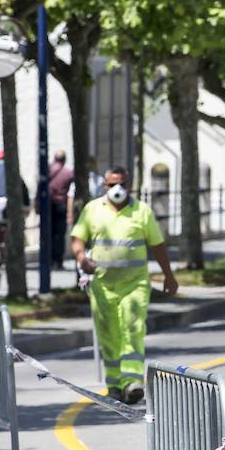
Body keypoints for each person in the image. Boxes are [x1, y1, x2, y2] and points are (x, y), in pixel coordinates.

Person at [71, 167, 178, 403]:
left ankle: (132, 382)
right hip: (103, 285)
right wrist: (81, 258)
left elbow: (157, 245)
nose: (116, 189)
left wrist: (169, 276)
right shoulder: (92, 210)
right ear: (104, 187)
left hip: (135, 284)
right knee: (109, 335)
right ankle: (114, 385)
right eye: (111, 185)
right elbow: (78, 239)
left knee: (132, 328)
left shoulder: (141, 211)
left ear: (129, 185)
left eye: (121, 184)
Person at [44, 150, 73, 269]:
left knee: (48, 233)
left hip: (48, 205)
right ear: (64, 160)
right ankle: (58, 261)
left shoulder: (46, 171)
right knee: (60, 235)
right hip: (61, 205)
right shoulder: (68, 173)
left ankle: (48, 260)